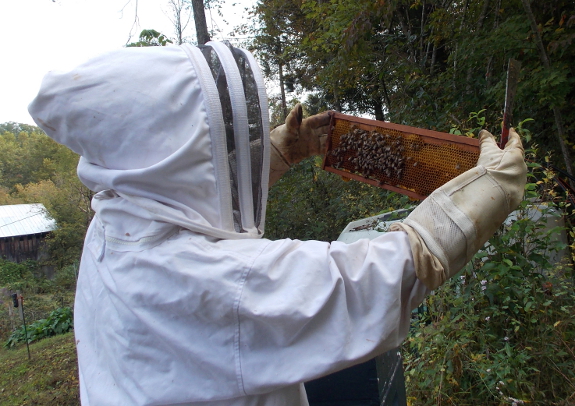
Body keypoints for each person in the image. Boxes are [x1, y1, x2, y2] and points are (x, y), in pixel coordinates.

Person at [28, 41, 526, 406]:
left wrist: (280, 151)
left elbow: (193, 191)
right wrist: (487, 193)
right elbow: (371, 279)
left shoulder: (114, 224)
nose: (222, 156)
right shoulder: (204, 277)